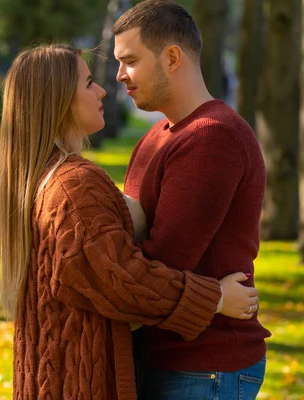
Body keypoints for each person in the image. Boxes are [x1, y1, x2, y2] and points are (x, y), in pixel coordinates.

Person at [0, 44, 260, 400]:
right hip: (80, 380)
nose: (103, 89)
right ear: (59, 100)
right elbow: (121, 279)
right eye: (89, 83)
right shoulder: (73, 185)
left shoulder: (43, 178)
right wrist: (214, 297)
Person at [112, 1, 272, 399]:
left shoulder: (212, 137)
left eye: (130, 61)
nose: (119, 76)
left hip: (204, 366)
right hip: (165, 357)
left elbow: (161, 261)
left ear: (171, 57)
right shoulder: (157, 137)